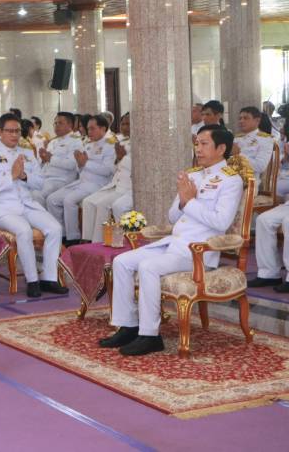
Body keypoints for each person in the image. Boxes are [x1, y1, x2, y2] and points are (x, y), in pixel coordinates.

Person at [101, 125, 242, 355]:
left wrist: (190, 202)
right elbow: (172, 217)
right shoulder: (192, 175)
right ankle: (128, 326)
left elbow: (221, 222)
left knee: (148, 267)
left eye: (204, 144)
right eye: (197, 143)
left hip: (198, 252)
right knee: (121, 261)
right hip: (174, 245)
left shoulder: (230, 180)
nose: (198, 149)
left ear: (221, 148)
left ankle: (150, 336)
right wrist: (183, 200)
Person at [0, 113, 66, 298]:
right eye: (10, 131)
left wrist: (24, 176)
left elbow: (40, 183)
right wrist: (11, 176)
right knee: (24, 231)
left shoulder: (26, 151)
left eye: (17, 131)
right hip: (4, 209)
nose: (15, 135)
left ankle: (49, 278)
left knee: (55, 228)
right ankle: (32, 280)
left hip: (27, 204)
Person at [47, 114, 116, 245]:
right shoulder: (88, 144)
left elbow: (108, 170)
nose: (89, 132)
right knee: (52, 199)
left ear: (103, 128)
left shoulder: (110, 145)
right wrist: (80, 164)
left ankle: (73, 238)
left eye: (92, 128)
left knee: (69, 200)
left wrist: (85, 163)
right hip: (82, 182)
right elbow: (79, 168)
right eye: (88, 129)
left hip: (98, 183)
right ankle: (61, 234)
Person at [81, 113, 133, 242]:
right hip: (116, 183)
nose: (124, 127)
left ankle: (98, 242)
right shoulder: (121, 141)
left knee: (102, 205)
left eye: (128, 124)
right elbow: (114, 168)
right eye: (122, 124)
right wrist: (119, 159)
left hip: (128, 186)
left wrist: (122, 158)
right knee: (87, 202)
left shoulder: (141, 143)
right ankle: (87, 239)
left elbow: (138, 167)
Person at [232, 106, 274, 191]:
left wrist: (239, 154)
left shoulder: (265, 139)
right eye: (240, 118)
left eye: (246, 118)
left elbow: (260, 166)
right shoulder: (236, 138)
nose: (241, 121)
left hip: (248, 183)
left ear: (257, 120)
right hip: (230, 178)